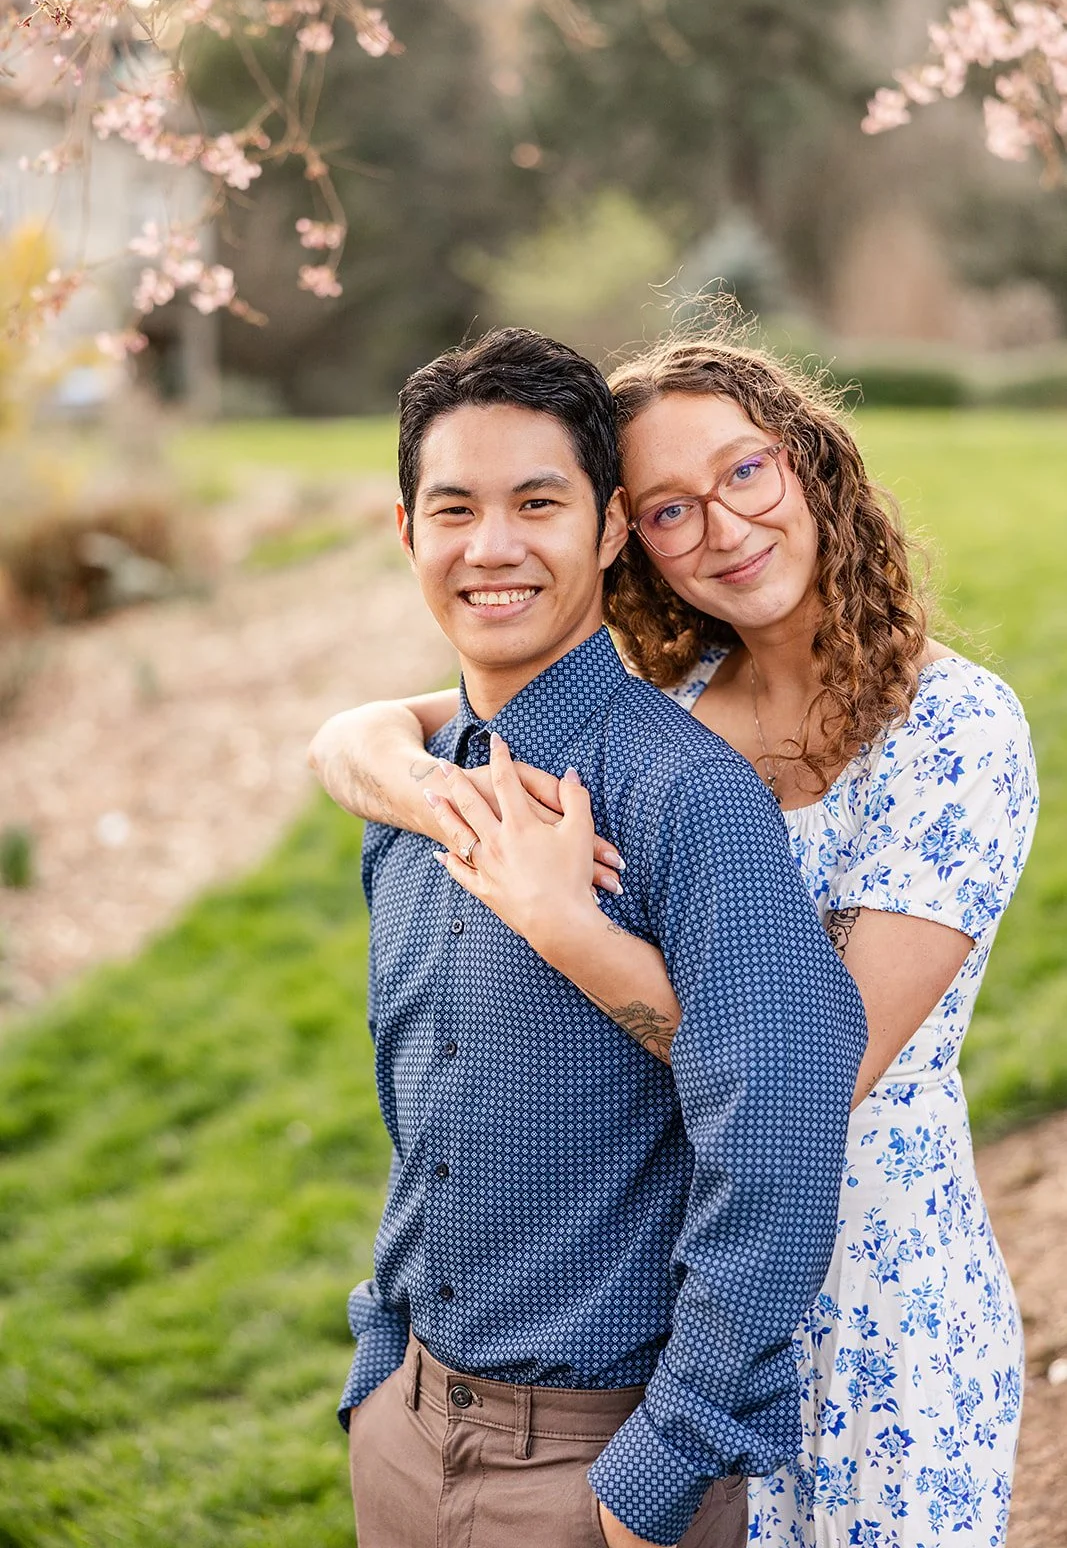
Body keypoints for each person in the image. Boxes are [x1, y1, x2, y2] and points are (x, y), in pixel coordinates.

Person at [311, 331, 1039, 1548]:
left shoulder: (952, 729)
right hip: (659, 1273)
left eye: (743, 474)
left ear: (807, 465)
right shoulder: (679, 693)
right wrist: (381, 763)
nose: (719, 526)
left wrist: (559, 921)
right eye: (666, 507)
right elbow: (403, 724)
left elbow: (817, 1076)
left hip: (866, 1275)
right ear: (626, 534)